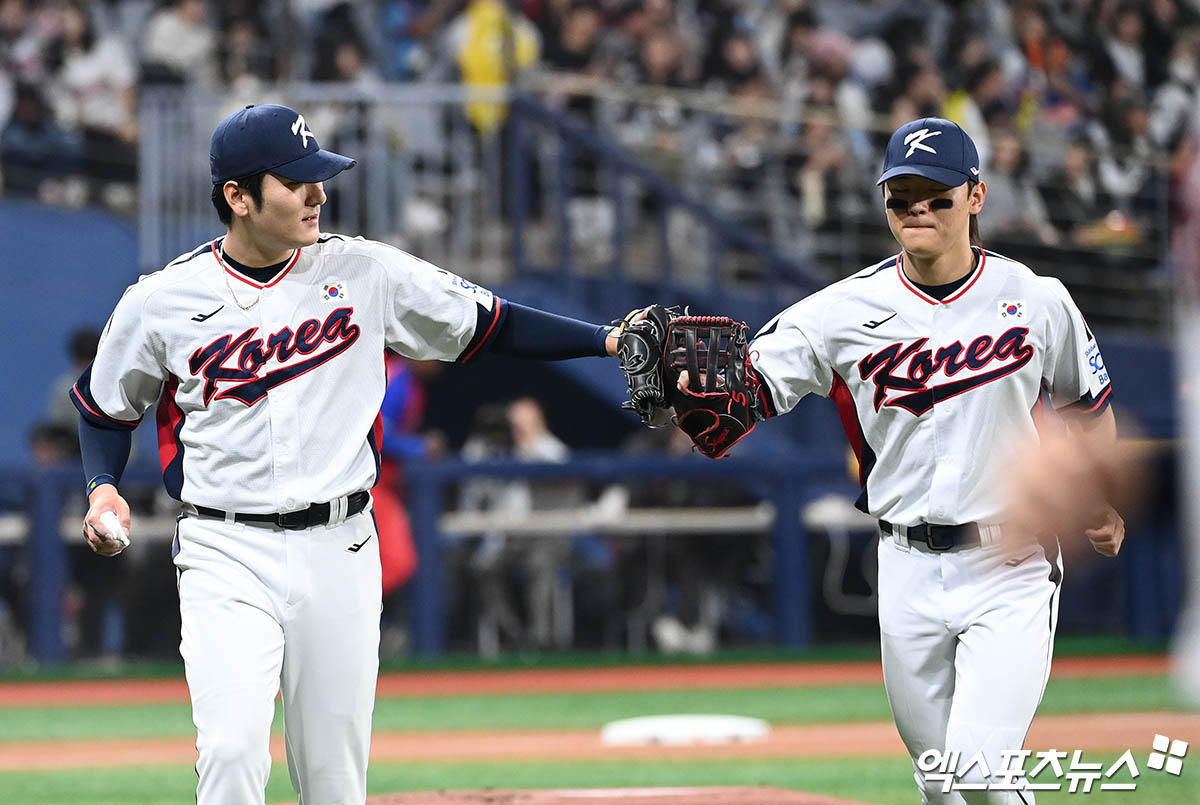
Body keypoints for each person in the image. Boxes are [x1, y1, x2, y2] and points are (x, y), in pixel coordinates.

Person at [70, 103, 625, 805]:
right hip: (223, 546)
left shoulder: (365, 272)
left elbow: (494, 324)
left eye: (320, 177)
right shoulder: (162, 300)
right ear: (237, 197)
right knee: (233, 751)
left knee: (333, 782)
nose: (317, 194)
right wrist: (101, 486)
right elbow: (100, 409)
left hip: (342, 546)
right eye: (296, 180)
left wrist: (609, 339)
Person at [677, 118, 1125, 802]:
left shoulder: (1037, 300)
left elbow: (1088, 407)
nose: (918, 209)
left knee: (979, 771)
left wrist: (1098, 495)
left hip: (1012, 561)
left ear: (976, 196)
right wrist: (686, 391)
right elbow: (746, 391)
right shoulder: (838, 312)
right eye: (901, 196)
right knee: (941, 783)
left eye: (936, 195)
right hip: (905, 565)